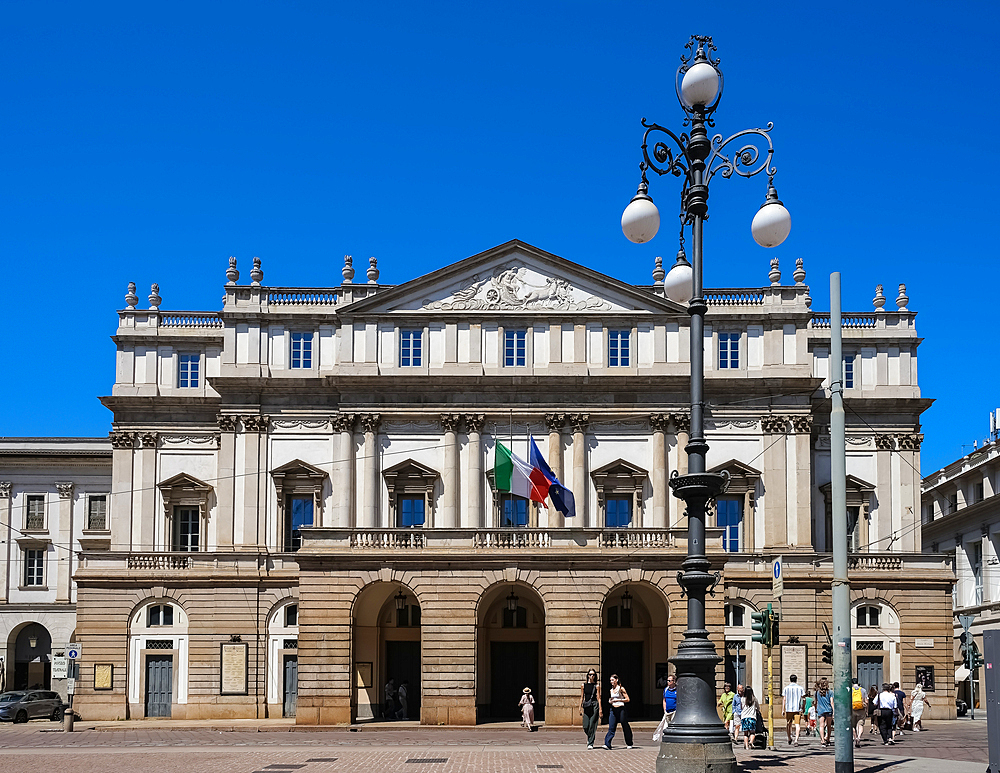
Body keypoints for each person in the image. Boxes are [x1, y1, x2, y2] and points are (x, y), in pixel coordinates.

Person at [603, 674, 633, 750]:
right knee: (611, 727)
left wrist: (618, 700)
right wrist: (610, 701)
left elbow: (627, 699)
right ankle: (607, 744)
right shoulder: (611, 690)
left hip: (621, 709)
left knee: (624, 724)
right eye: (610, 680)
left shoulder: (621, 689)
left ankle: (629, 743)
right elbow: (611, 699)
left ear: (616, 680)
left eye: (612, 680)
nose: (611, 682)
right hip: (613, 709)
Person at [579, 668, 602, 749]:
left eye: (593, 675)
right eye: (590, 674)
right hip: (586, 706)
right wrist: (579, 707)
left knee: (592, 724)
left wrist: (600, 709)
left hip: (594, 705)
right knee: (585, 725)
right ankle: (590, 736)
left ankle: (590, 743)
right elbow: (582, 697)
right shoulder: (583, 685)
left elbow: (599, 698)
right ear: (588, 675)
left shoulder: (597, 686)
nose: (591, 676)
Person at [782, 674, 805, 746]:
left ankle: (789, 738)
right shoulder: (800, 688)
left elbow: (784, 699)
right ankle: (796, 740)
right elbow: (804, 699)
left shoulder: (786, 688)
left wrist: (783, 709)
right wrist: (803, 707)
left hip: (789, 709)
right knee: (797, 725)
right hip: (797, 709)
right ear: (796, 680)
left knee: (789, 724)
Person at [850, 677, 867, 747]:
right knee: (860, 725)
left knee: (853, 726)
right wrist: (867, 709)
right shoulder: (863, 690)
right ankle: (859, 737)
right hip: (861, 709)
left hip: (852, 709)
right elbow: (866, 701)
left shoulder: (850, 690)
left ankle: (855, 737)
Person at [740, 686, 759, 750]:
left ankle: (747, 746)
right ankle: (751, 742)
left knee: (745, 733)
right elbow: (757, 707)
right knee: (752, 732)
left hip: (744, 717)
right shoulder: (754, 699)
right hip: (752, 717)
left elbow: (741, 707)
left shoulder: (742, 699)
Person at [815, 679, 833, 747]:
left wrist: (816, 709)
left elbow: (816, 702)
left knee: (821, 726)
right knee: (829, 726)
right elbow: (831, 702)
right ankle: (828, 739)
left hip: (820, 710)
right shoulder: (830, 692)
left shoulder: (817, 692)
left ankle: (822, 740)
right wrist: (833, 710)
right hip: (828, 710)